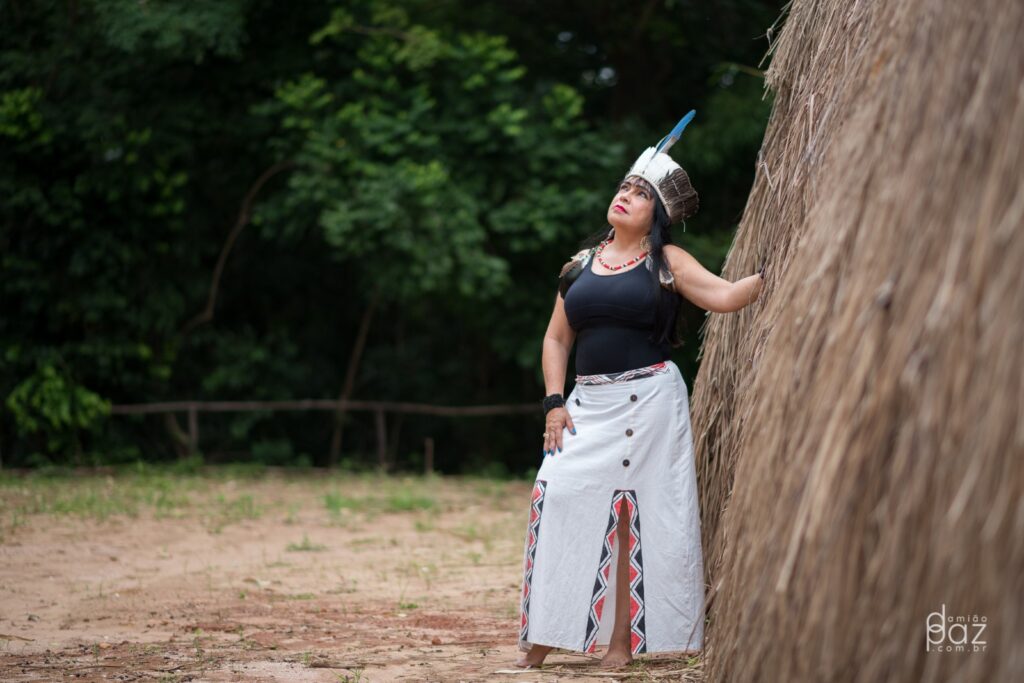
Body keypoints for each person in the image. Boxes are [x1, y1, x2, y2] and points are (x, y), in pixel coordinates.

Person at [514, 112, 764, 670]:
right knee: (556, 494)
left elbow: (725, 297)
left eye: (640, 193)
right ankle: (548, 630)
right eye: (624, 186)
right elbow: (556, 339)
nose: (626, 196)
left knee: (629, 514)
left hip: (647, 402)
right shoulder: (579, 266)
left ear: (658, 216)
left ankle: (621, 643)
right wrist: (554, 402)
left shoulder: (666, 262)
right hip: (586, 403)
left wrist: (774, 270)